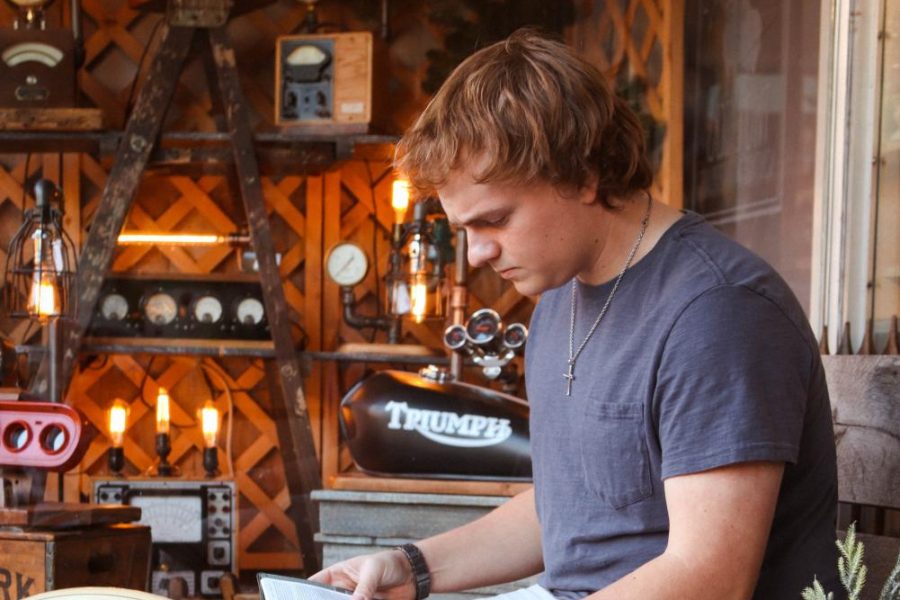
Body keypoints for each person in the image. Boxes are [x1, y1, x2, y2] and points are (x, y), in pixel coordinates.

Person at [311, 29, 841, 600]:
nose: (478, 253)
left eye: (494, 220)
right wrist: (410, 567)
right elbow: (563, 512)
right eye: (463, 229)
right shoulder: (561, 300)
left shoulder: (718, 312)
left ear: (584, 176)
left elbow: (710, 576)